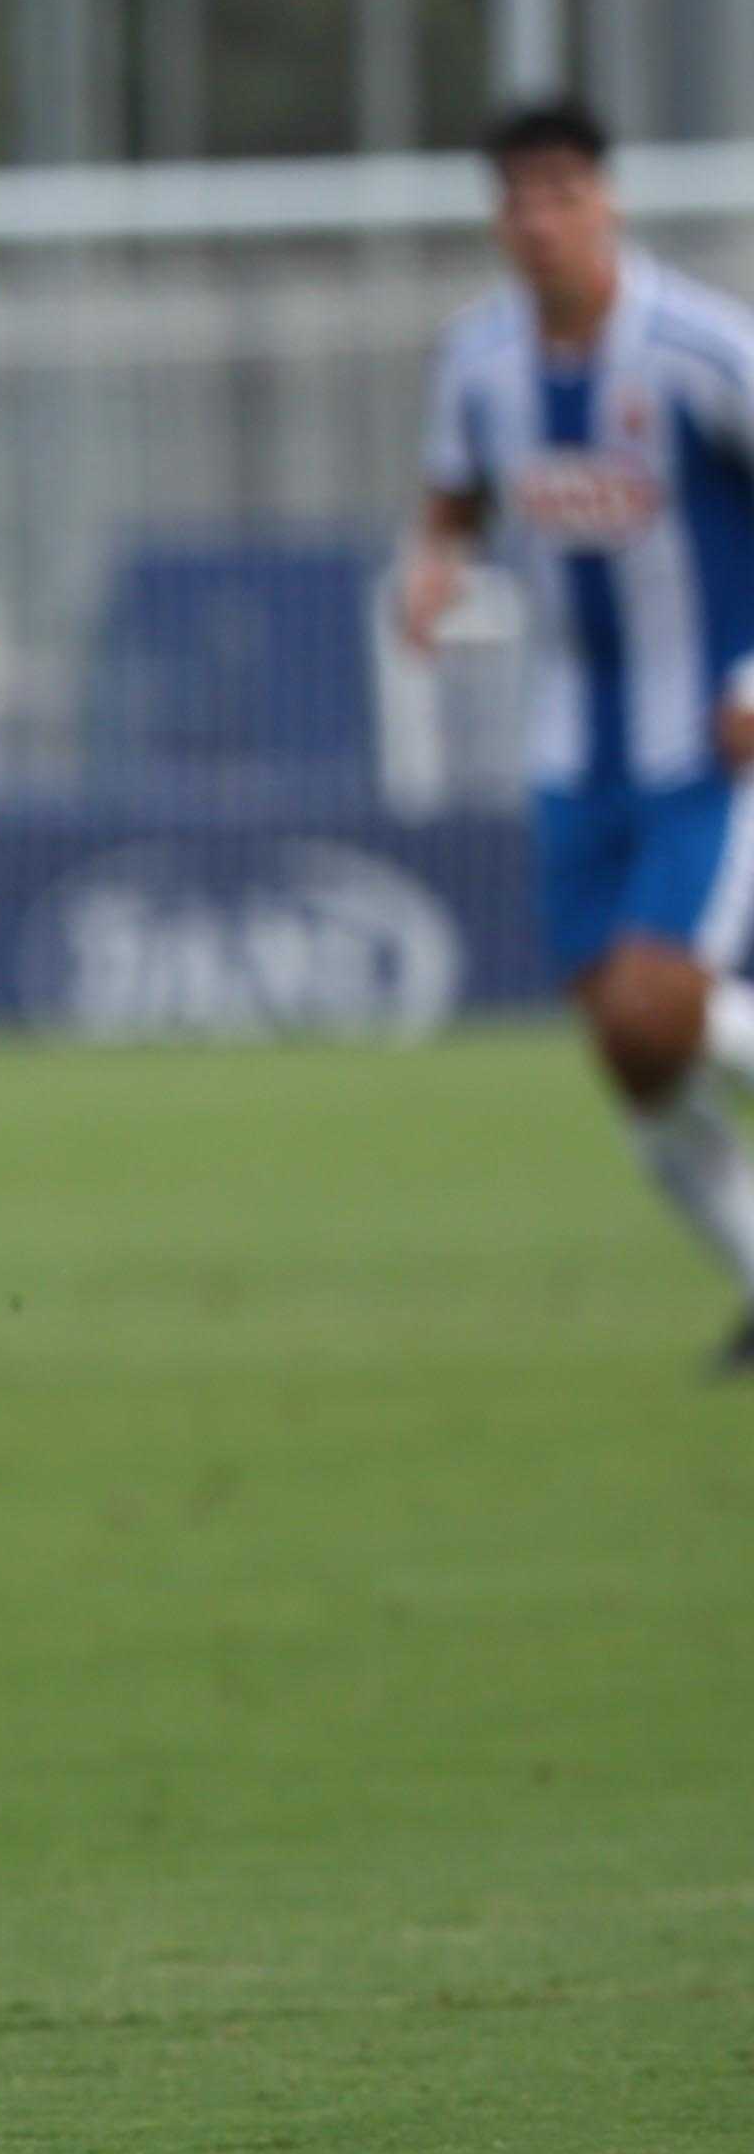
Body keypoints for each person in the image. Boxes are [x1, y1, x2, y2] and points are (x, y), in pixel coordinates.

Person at [399, 95, 754, 1369]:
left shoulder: (702, 350)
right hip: (569, 754)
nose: (539, 222)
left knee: (660, 1008)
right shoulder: (479, 363)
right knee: (633, 1058)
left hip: (709, 746)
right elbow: (454, 499)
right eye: (517, 199)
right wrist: (430, 569)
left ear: (608, 201)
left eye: (563, 194)